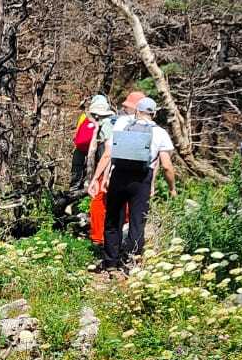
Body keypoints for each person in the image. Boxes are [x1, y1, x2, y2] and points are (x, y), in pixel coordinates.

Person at [90, 92, 177, 270]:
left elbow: (108, 153)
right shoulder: (159, 133)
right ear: (154, 113)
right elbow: (167, 166)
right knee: (137, 222)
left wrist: (97, 178)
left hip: (118, 176)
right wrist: (172, 188)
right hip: (141, 180)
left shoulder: (122, 126)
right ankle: (131, 262)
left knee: (113, 220)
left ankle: (110, 262)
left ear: (137, 111)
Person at [70, 96, 102, 190]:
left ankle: (74, 187)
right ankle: (89, 187)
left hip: (80, 147)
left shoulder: (84, 116)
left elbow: (77, 132)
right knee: (91, 169)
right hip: (95, 149)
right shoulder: (103, 118)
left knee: (77, 168)